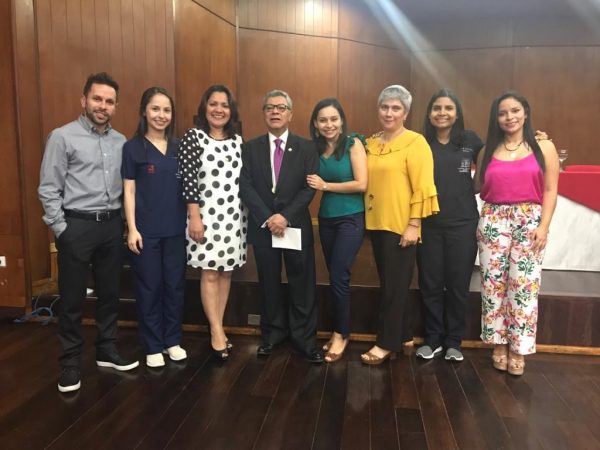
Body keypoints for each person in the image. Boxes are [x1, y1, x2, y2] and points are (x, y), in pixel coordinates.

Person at [38, 72, 139, 393]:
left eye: (109, 101)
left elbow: (127, 189)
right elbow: (48, 188)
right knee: (71, 299)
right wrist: (61, 229)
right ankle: (69, 363)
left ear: (115, 106)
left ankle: (107, 350)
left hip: (111, 227)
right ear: (84, 100)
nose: (103, 106)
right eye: (97, 99)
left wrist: (124, 224)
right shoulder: (62, 137)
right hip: (76, 227)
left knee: (109, 294)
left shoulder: (120, 141)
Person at [474, 91, 559, 376]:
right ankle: (498, 343)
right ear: (495, 119)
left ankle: (518, 347)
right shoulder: (488, 150)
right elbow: (475, 186)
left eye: (514, 111)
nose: (509, 117)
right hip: (493, 220)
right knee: (493, 285)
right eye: (502, 113)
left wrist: (544, 226)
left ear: (525, 113)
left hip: (529, 220)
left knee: (523, 287)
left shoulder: (542, 146)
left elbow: (550, 190)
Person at [240, 89, 323, 364]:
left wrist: (285, 216)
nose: (275, 112)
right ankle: (272, 335)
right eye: (269, 107)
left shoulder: (307, 147)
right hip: (264, 228)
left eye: (281, 107)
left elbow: (308, 188)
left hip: (295, 225)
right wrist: (269, 217)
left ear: (290, 113)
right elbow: (246, 186)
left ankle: (304, 339)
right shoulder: (249, 148)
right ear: (263, 113)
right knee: (269, 284)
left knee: (302, 284)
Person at [361, 85, 440, 365]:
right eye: (385, 107)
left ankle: (386, 343)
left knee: (393, 287)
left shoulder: (416, 142)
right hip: (375, 221)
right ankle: (405, 335)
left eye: (396, 108)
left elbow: (423, 187)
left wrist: (414, 224)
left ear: (405, 113)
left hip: (400, 224)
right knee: (392, 283)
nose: (389, 112)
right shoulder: (371, 143)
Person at [179, 85, 247, 361]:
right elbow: (188, 181)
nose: (219, 110)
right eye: (213, 104)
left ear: (231, 111)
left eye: (224, 105)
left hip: (233, 217)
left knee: (226, 273)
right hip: (204, 217)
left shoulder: (238, 141)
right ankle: (217, 331)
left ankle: (217, 326)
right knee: (209, 273)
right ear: (204, 108)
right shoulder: (193, 137)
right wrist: (194, 216)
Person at [415, 89, 483, 362]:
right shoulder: (419, 143)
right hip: (428, 224)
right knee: (430, 283)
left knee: (457, 284)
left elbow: (499, 152)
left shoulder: (470, 139)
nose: (442, 113)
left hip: (463, 223)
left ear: (457, 113)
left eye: (448, 108)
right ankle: (433, 340)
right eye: (436, 108)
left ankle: (454, 340)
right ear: (429, 113)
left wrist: (535, 140)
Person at [122, 87, 187, 368]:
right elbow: (129, 191)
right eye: (155, 109)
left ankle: (172, 340)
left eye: (167, 110)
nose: (161, 115)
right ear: (144, 111)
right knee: (149, 288)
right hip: (145, 232)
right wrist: (132, 229)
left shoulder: (179, 147)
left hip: (175, 230)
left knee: (174, 287)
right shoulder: (133, 147)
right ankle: (152, 345)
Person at [306, 98, 367, 363]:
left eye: (333, 119)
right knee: (333, 276)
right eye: (323, 120)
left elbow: (361, 184)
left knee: (339, 275)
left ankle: (342, 333)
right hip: (327, 219)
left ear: (341, 121)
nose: (329, 124)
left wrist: (326, 186)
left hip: (351, 219)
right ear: (316, 124)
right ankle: (337, 330)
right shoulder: (315, 149)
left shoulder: (353, 144)